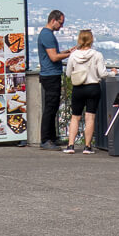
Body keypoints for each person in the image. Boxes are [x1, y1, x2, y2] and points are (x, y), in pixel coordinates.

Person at [61, 31, 115, 154]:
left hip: (78, 88)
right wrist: (113, 73)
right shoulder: (97, 55)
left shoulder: (73, 56)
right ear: (91, 40)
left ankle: (70, 146)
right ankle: (87, 146)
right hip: (93, 88)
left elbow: (68, 74)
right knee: (90, 117)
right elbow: (102, 74)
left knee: (75, 117)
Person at [37, 9, 67, 148]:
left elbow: (55, 54)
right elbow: (54, 57)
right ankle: (45, 139)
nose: (61, 27)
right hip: (50, 75)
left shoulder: (47, 34)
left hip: (51, 74)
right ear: (53, 20)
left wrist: (67, 52)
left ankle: (52, 138)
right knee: (50, 107)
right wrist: (69, 55)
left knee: (53, 107)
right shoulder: (47, 35)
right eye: (60, 23)